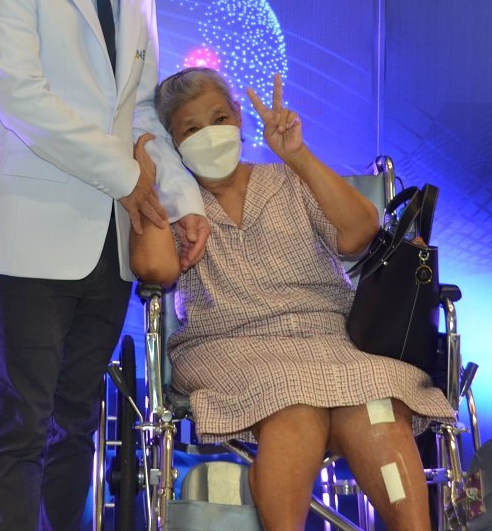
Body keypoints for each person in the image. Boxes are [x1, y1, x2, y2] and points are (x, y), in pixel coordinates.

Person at [0, 0, 208, 531]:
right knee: (20, 423)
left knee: (76, 422)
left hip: (112, 247)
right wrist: (127, 179)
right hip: (33, 241)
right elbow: (21, 99)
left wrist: (183, 199)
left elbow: (143, 113)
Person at [130, 67, 455, 531]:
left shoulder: (288, 179)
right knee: (292, 406)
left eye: (219, 118)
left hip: (329, 336)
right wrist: (147, 181)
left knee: (378, 407)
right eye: (192, 129)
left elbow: (361, 233)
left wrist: (298, 155)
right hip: (227, 344)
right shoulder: (180, 206)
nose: (210, 134)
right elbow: (154, 269)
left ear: (238, 117)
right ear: (173, 142)